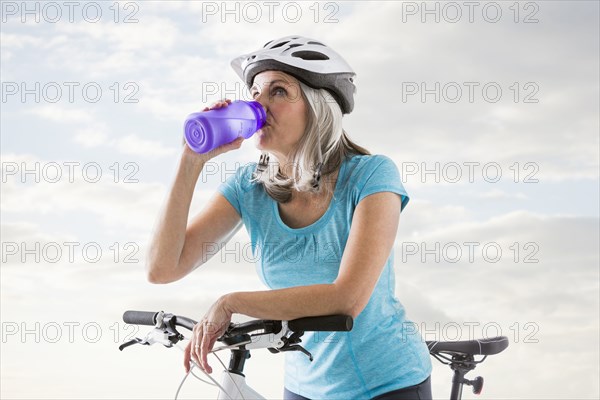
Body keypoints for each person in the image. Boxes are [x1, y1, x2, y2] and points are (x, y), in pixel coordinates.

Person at [146, 35, 433, 400]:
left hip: (386, 383)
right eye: (254, 93)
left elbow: (347, 298)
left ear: (317, 106)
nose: (259, 106)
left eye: (278, 92)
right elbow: (162, 268)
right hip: (304, 387)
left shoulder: (371, 176)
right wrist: (191, 160)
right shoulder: (248, 187)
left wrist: (231, 302)